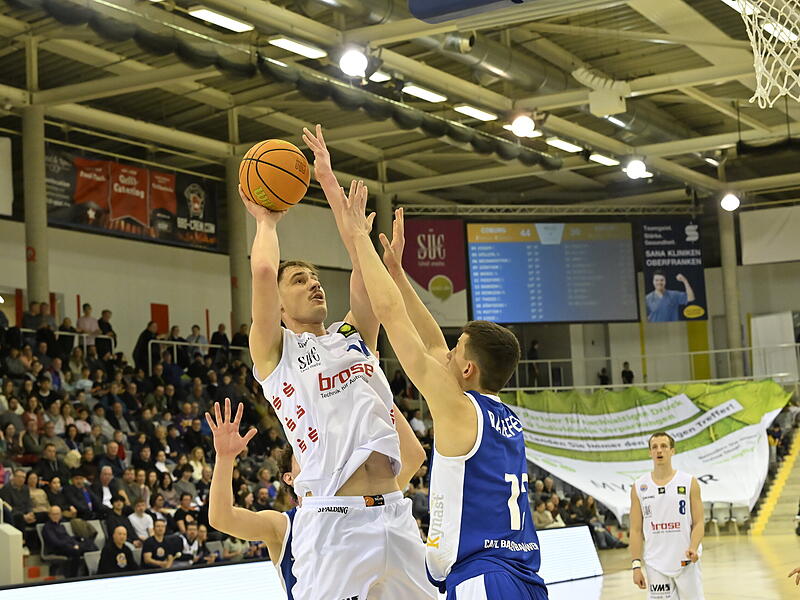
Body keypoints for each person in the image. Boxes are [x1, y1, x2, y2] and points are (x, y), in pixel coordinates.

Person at [235, 123, 433, 600]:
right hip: (332, 526)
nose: (314, 284)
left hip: (395, 514)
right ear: (279, 307)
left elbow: (366, 278)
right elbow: (263, 270)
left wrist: (328, 184)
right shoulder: (274, 352)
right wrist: (266, 221)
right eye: (300, 280)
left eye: (316, 278)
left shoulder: (352, 336)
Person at [340, 182, 547, 599]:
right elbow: (433, 345)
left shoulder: (458, 409)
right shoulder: (499, 415)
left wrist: (357, 238)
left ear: (468, 369)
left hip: (484, 576)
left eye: (456, 351)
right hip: (522, 574)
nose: (446, 354)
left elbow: (393, 318)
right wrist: (398, 273)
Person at [206, 394, 426, 600]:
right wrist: (225, 458)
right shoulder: (283, 525)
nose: (313, 458)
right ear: (289, 478)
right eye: (304, 455)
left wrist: (372, 389)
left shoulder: (368, 503)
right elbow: (222, 518)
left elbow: (414, 456)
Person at [630, 432, 704, 599]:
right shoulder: (639, 487)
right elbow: (635, 530)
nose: (659, 451)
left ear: (672, 451)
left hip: (686, 561)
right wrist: (636, 566)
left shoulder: (689, 482)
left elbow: (699, 523)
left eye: (664, 446)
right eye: (654, 447)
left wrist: (693, 547)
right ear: (650, 453)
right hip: (655, 564)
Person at [42, 505, 96, 577]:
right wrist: (72, 545)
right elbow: (55, 542)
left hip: (68, 545)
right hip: (58, 549)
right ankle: (73, 576)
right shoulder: (47, 528)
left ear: (60, 515)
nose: (56, 516)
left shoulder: (61, 526)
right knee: (75, 551)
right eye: (53, 514)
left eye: (57, 514)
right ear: (49, 515)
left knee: (89, 543)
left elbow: (68, 538)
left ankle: (91, 572)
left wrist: (75, 543)